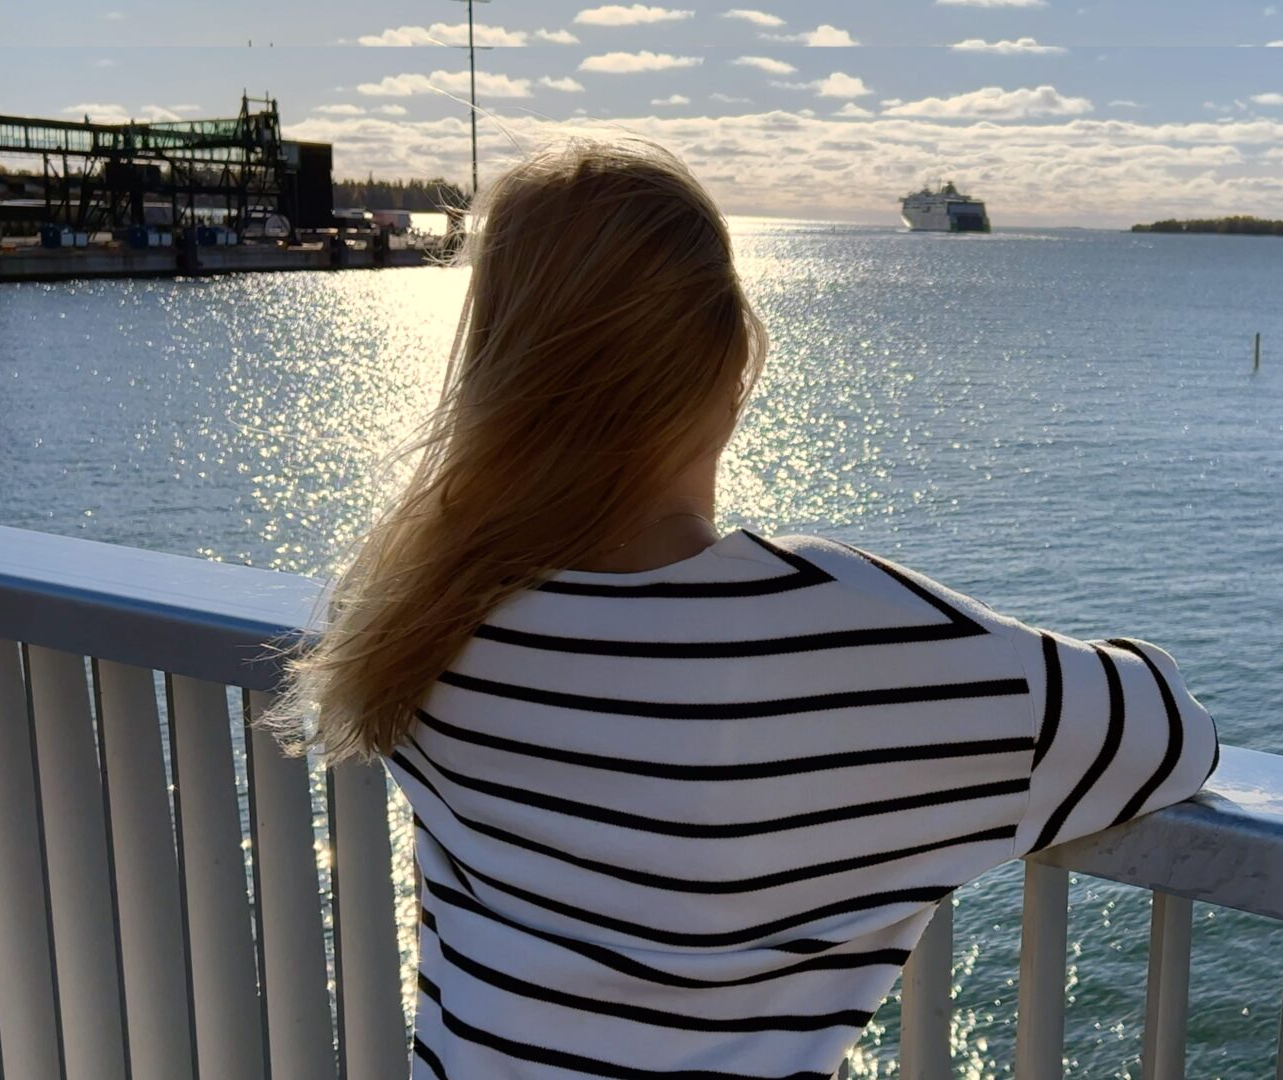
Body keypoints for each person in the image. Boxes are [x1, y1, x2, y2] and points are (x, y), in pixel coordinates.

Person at [276, 137, 1219, 1080]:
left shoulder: (422, 617)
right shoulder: (831, 633)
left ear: (493, 372)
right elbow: (1166, 729)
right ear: (726, 370)